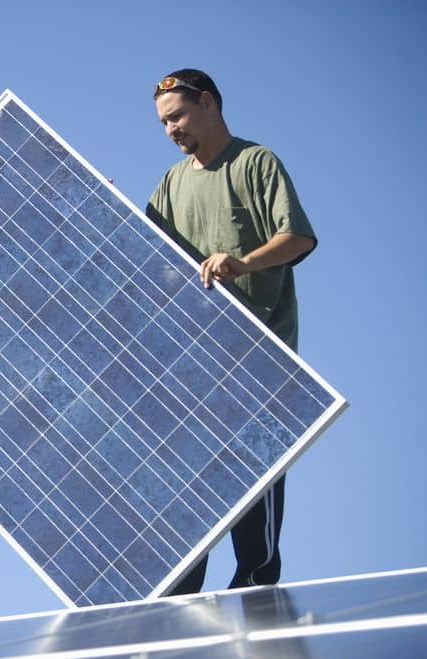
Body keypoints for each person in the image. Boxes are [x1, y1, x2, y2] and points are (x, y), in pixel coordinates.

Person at [145, 69, 317, 594]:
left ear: (210, 102)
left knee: (253, 489)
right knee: (189, 494)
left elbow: (297, 239)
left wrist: (241, 263)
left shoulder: (254, 162)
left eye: (177, 115)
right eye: (163, 123)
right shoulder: (172, 183)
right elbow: (143, 257)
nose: (171, 129)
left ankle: (256, 591)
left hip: (259, 358)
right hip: (197, 364)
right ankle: (176, 603)